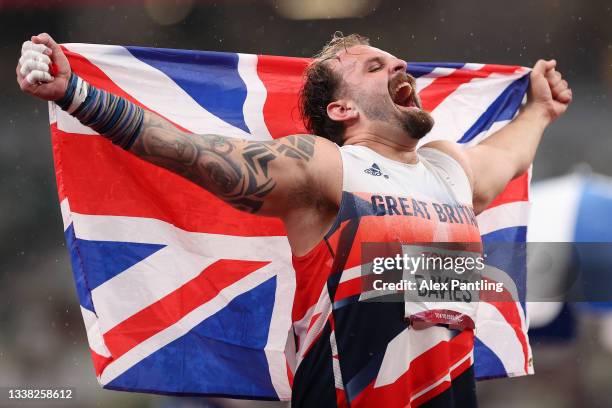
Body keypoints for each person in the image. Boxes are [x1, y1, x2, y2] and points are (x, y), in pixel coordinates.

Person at [17, 32, 571, 407]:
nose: (400, 65)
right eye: (374, 67)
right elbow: (192, 152)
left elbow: (509, 153)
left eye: (395, 62)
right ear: (341, 110)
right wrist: (76, 94)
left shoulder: (452, 172)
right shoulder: (327, 168)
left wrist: (540, 108)